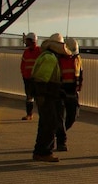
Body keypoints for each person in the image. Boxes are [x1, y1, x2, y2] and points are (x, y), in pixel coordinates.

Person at [31, 34, 71, 162]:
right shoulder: (51, 58)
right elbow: (43, 79)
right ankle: (45, 152)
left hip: (44, 95)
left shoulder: (44, 56)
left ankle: (39, 151)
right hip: (47, 96)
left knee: (44, 123)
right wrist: (50, 93)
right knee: (51, 123)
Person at [55, 37, 83, 152]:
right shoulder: (57, 59)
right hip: (60, 92)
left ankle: (59, 133)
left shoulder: (77, 58)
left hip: (73, 92)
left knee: (73, 116)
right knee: (60, 118)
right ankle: (61, 142)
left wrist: (79, 86)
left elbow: (80, 72)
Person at [20, 33, 41, 120]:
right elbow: (23, 64)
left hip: (37, 78)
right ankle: (29, 114)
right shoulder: (26, 52)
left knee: (39, 98)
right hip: (27, 77)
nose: (25, 42)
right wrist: (24, 74)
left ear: (32, 41)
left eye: (27, 40)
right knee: (29, 97)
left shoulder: (40, 51)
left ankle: (42, 115)